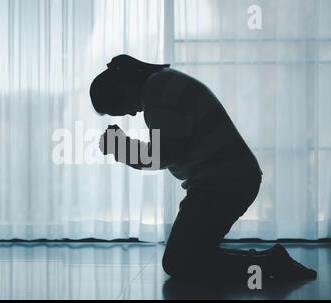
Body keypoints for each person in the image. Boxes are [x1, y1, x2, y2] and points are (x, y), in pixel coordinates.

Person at [89, 54, 317, 283]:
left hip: (223, 183)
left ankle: (269, 264)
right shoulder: (162, 83)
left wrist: (119, 147)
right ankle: (268, 262)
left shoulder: (158, 91)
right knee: (187, 257)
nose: (130, 113)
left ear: (122, 87)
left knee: (179, 262)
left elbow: (163, 155)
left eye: (118, 107)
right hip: (227, 180)